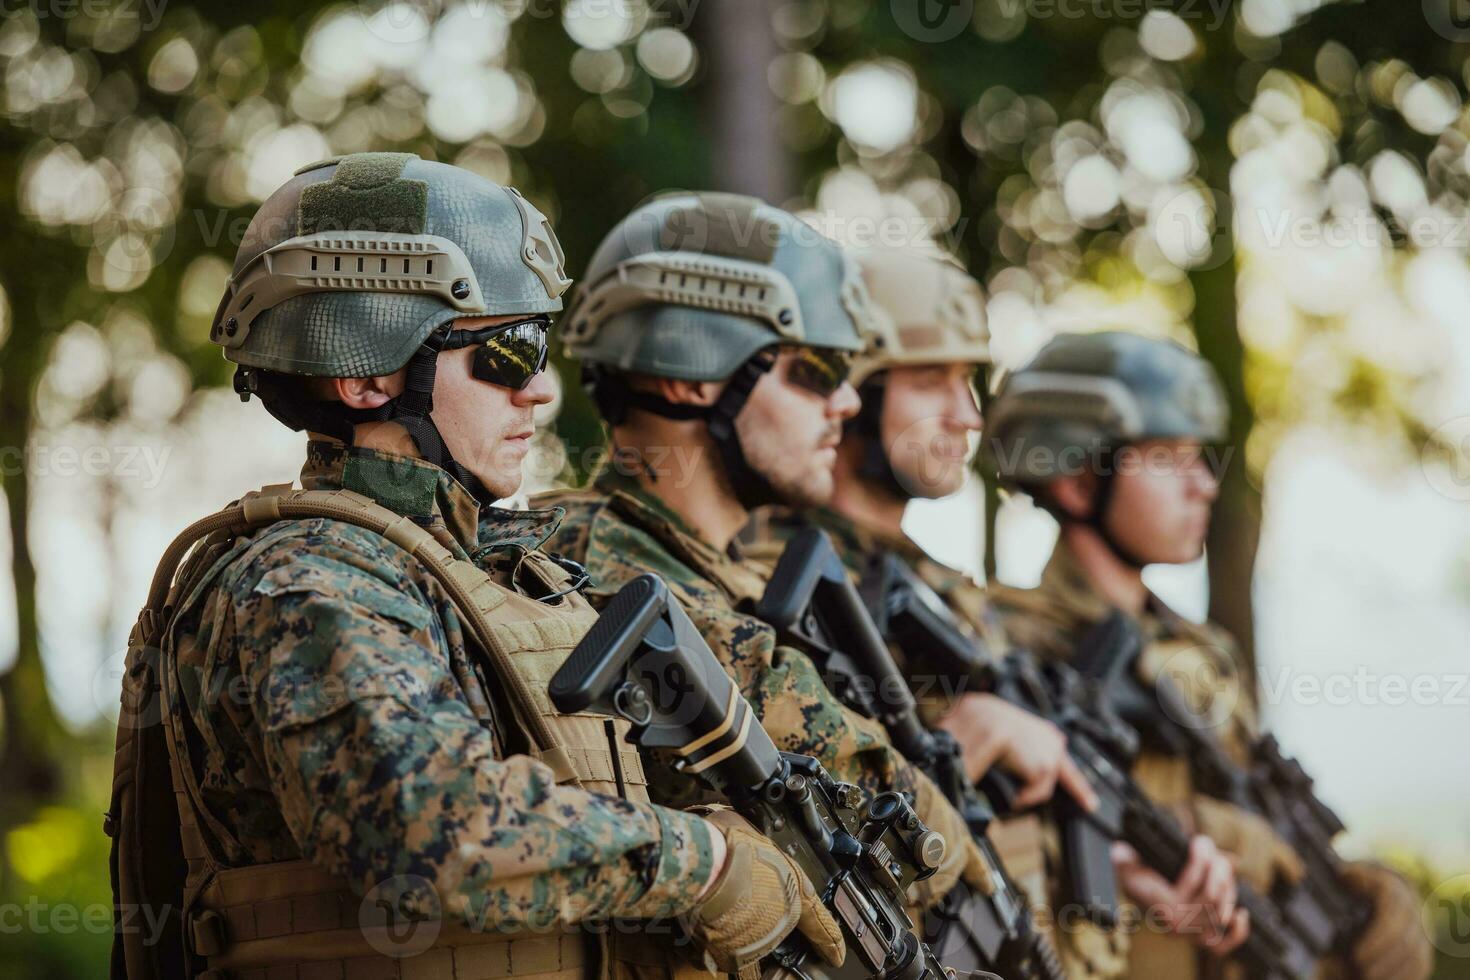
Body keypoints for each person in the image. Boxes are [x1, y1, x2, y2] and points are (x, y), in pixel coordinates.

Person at [106, 154, 843, 980]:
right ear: (367, 372)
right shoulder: (308, 579)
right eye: (507, 352)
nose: (537, 391)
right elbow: (430, 832)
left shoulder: (495, 573)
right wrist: (701, 863)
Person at [743, 244, 1252, 978]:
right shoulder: (776, 576)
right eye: (930, 381)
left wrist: (1121, 866)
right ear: (853, 387)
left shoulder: (948, 591)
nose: (967, 415)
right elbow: (790, 823)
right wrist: (971, 738)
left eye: (968, 382)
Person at [534, 192, 994, 925]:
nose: (843, 403)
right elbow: (898, 821)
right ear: (692, 371)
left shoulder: (727, 571)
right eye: (814, 370)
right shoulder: (594, 565)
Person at [985, 330, 1433, 980]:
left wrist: (1354, 896)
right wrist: (1220, 837)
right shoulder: (1004, 642)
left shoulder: (1202, 651)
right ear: (1079, 481)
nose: (1203, 485)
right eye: (1167, 457)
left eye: (1201, 458)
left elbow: (1264, 810)